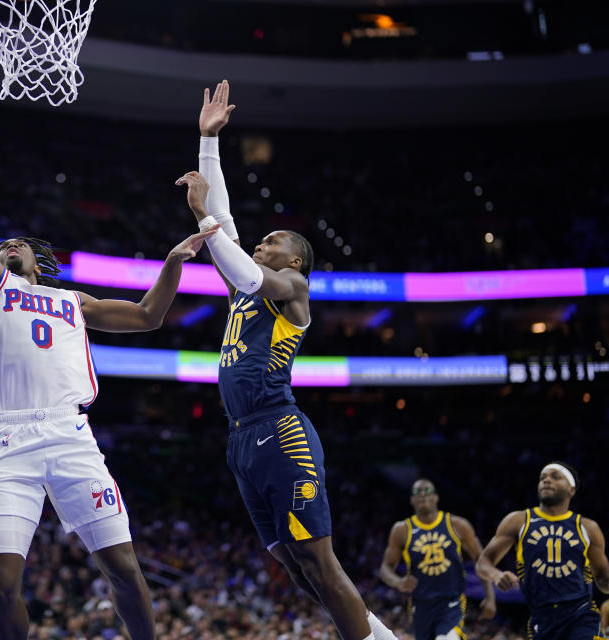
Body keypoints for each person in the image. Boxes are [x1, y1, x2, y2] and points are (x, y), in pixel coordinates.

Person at [0, 73, 217, 640]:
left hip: (70, 435)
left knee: (125, 571)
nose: (5, 245)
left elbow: (147, 317)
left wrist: (174, 262)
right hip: (11, 439)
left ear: (39, 261)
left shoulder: (74, 300)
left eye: (17, 244)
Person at [174, 80, 395, 640]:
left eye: (270, 239)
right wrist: (207, 142)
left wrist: (203, 218)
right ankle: (376, 631)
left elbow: (231, 246)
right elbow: (224, 220)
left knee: (319, 561)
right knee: (295, 566)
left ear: (293, 256)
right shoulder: (245, 291)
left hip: (280, 428)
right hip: (241, 438)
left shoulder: (291, 285)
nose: (259, 244)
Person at [476, 462, 609, 640]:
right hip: (542, 618)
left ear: (571, 490)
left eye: (555, 477)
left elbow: (603, 579)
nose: (546, 480)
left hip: (581, 615)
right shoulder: (519, 520)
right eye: (542, 478)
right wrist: (496, 575)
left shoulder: (588, 527)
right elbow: (483, 563)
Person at [378, 478, 496, 640]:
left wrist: (490, 597)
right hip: (421, 604)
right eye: (417, 492)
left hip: (451, 601)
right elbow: (386, 567)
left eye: (427, 490)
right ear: (412, 500)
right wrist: (398, 582)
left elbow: (481, 560)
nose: (422, 495)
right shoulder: (402, 530)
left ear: (436, 497)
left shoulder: (456, 524)